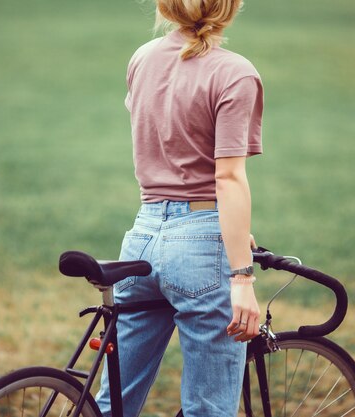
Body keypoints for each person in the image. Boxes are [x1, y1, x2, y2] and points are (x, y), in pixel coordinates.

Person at [95, 1, 263, 416]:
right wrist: (242, 276)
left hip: (142, 237)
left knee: (113, 402)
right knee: (209, 407)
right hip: (201, 246)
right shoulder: (235, 73)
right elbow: (227, 178)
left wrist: (235, 234)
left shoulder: (142, 59)